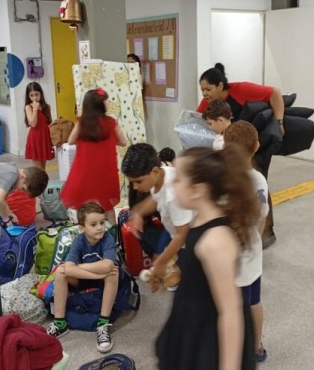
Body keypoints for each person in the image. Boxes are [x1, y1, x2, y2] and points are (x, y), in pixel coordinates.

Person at [155, 145, 258, 370]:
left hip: (213, 328)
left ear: (198, 190)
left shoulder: (216, 241)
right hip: (193, 316)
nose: (172, 184)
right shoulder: (201, 217)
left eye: (178, 179)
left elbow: (231, 309)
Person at [197, 62, 285, 248]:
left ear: (220, 86)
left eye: (208, 89)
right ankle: (241, 228)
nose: (204, 94)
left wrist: (279, 122)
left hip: (254, 146)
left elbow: (275, 93)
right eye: (202, 90)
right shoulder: (208, 103)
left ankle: (266, 231)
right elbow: (197, 121)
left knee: (258, 184)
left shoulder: (242, 90)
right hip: (231, 149)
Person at [224, 121, 269, 363]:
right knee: (254, 302)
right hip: (252, 252)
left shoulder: (221, 180)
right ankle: (256, 346)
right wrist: (255, 240)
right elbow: (262, 215)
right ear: (257, 146)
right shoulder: (258, 181)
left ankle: (233, 350)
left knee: (231, 307)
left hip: (227, 256)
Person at [47, 202, 119, 353]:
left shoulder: (107, 239)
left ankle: (103, 324)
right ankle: (60, 323)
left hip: (102, 280)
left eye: (102, 222)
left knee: (113, 273)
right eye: (93, 224)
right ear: (82, 228)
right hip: (84, 279)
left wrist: (78, 267)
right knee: (60, 272)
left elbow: (107, 265)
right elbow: (68, 269)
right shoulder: (78, 241)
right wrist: (94, 272)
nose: (100, 227)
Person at [121, 143, 192, 289]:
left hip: (192, 244)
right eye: (132, 182)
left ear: (154, 171)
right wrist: (138, 212)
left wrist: (161, 261)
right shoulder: (163, 173)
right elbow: (155, 199)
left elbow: (182, 234)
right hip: (178, 235)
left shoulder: (172, 195)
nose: (135, 187)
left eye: (138, 181)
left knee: (189, 291)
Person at [60, 88, 127, 226]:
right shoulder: (111, 123)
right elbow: (123, 142)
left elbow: (71, 141)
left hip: (85, 170)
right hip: (105, 170)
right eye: (106, 100)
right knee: (107, 204)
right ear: (99, 105)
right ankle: (114, 231)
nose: (109, 102)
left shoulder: (82, 123)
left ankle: (85, 229)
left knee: (84, 202)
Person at [24, 81, 54, 170]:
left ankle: (43, 180)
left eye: (37, 94)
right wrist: (35, 109)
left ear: (41, 94)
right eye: (31, 95)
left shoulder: (47, 107)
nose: (35, 98)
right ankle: (38, 180)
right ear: (28, 96)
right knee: (38, 168)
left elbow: (49, 122)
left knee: (43, 167)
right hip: (35, 138)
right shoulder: (28, 107)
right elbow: (33, 124)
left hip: (44, 137)